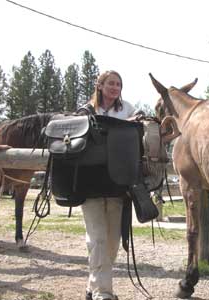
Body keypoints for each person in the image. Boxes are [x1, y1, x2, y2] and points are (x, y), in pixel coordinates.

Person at [79, 70, 136, 300]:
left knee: (112, 243)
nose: (115, 87)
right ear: (100, 85)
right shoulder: (85, 110)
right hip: (90, 184)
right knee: (98, 238)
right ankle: (103, 293)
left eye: (118, 84)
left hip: (117, 186)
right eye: (111, 83)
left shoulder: (129, 110)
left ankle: (91, 286)